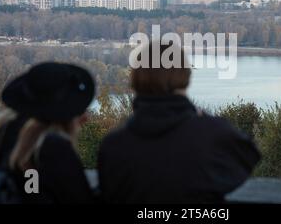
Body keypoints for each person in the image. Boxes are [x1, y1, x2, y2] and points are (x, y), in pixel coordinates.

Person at [98, 42, 261, 203]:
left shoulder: (113, 145)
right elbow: (249, 155)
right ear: (186, 77)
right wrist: (201, 116)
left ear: (136, 80)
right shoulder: (211, 134)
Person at [5, 62, 96, 203]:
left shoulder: (5, 139)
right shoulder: (55, 152)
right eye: (78, 110)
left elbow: (31, 192)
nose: (85, 118)